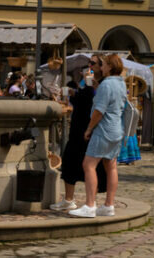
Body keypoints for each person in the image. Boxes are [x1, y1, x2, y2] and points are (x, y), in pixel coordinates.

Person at [69, 54, 127, 219]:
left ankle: (90, 205)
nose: (101, 67)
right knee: (111, 166)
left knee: (88, 165)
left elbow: (98, 111)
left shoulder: (106, 85)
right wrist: (97, 86)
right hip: (116, 129)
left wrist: (89, 129)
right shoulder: (120, 83)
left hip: (104, 130)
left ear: (109, 66)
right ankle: (109, 205)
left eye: (104, 64)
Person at [52, 63, 104, 211]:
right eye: (88, 66)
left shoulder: (101, 84)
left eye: (93, 65)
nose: (89, 68)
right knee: (70, 163)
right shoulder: (88, 84)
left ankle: (91, 203)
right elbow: (82, 99)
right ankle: (69, 199)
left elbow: (91, 102)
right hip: (79, 129)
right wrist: (74, 93)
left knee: (91, 166)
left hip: (88, 129)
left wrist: (86, 86)